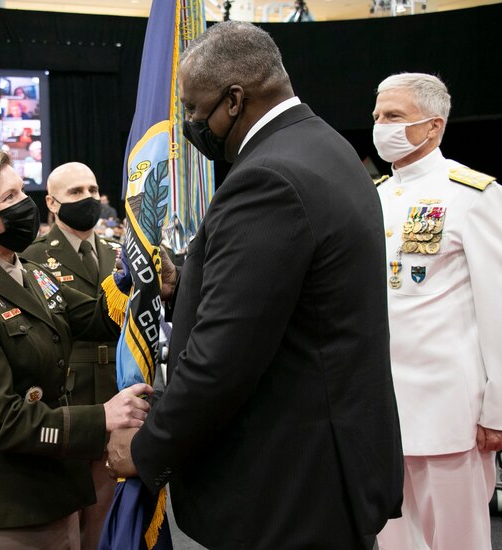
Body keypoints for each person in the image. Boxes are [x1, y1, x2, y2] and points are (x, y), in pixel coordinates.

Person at [105, 22, 403, 549]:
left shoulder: (269, 178)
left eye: (195, 111)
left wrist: (147, 447)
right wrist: (182, 281)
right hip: (326, 467)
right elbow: (289, 295)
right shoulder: (322, 145)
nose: (192, 125)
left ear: (235, 100)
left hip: (289, 489)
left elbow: (222, 361)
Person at [0, 149, 151, 549]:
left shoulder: (32, 275)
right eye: (9, 198)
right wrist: (101, 417)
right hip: (6, 508)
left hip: (54, 491)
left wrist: (147, 278)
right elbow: (2, 422)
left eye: (22, 191)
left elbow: (98, 316)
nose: (24, 204)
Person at [369, 72, 502, 550]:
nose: (381, 125)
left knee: (457, 541)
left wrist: (498, 408)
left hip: (450, 412)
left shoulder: (472, 195)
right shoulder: (375, 197)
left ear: (434, 126)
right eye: (378, 116)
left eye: (395, 116)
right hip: (383, 410)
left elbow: (498, 312)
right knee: (394, 541)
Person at [20, 161, 120, 550]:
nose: (88, 199)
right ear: (52, 202)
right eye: (76, 192)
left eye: (93, 190)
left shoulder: (118, 251)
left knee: (110, 498)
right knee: (69, 505)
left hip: (118, 383)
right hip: (70, 390)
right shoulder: (34, 257)